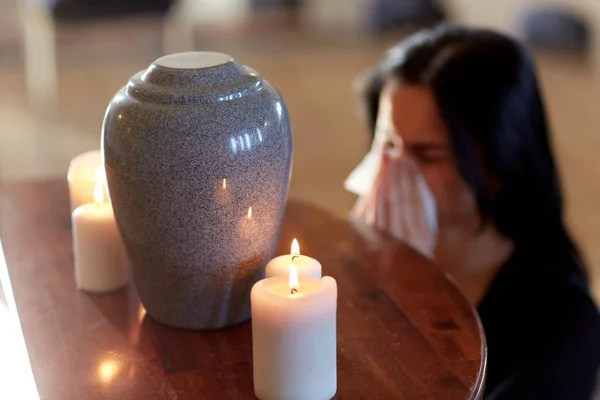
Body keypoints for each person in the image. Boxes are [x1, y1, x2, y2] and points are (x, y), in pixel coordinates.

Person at [357, 25, 600, 399]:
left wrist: (406, 299)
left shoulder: (563, 326)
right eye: (388, 144)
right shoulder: (373, 246)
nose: (395, 173)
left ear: (499, 161)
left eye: (428, 155)